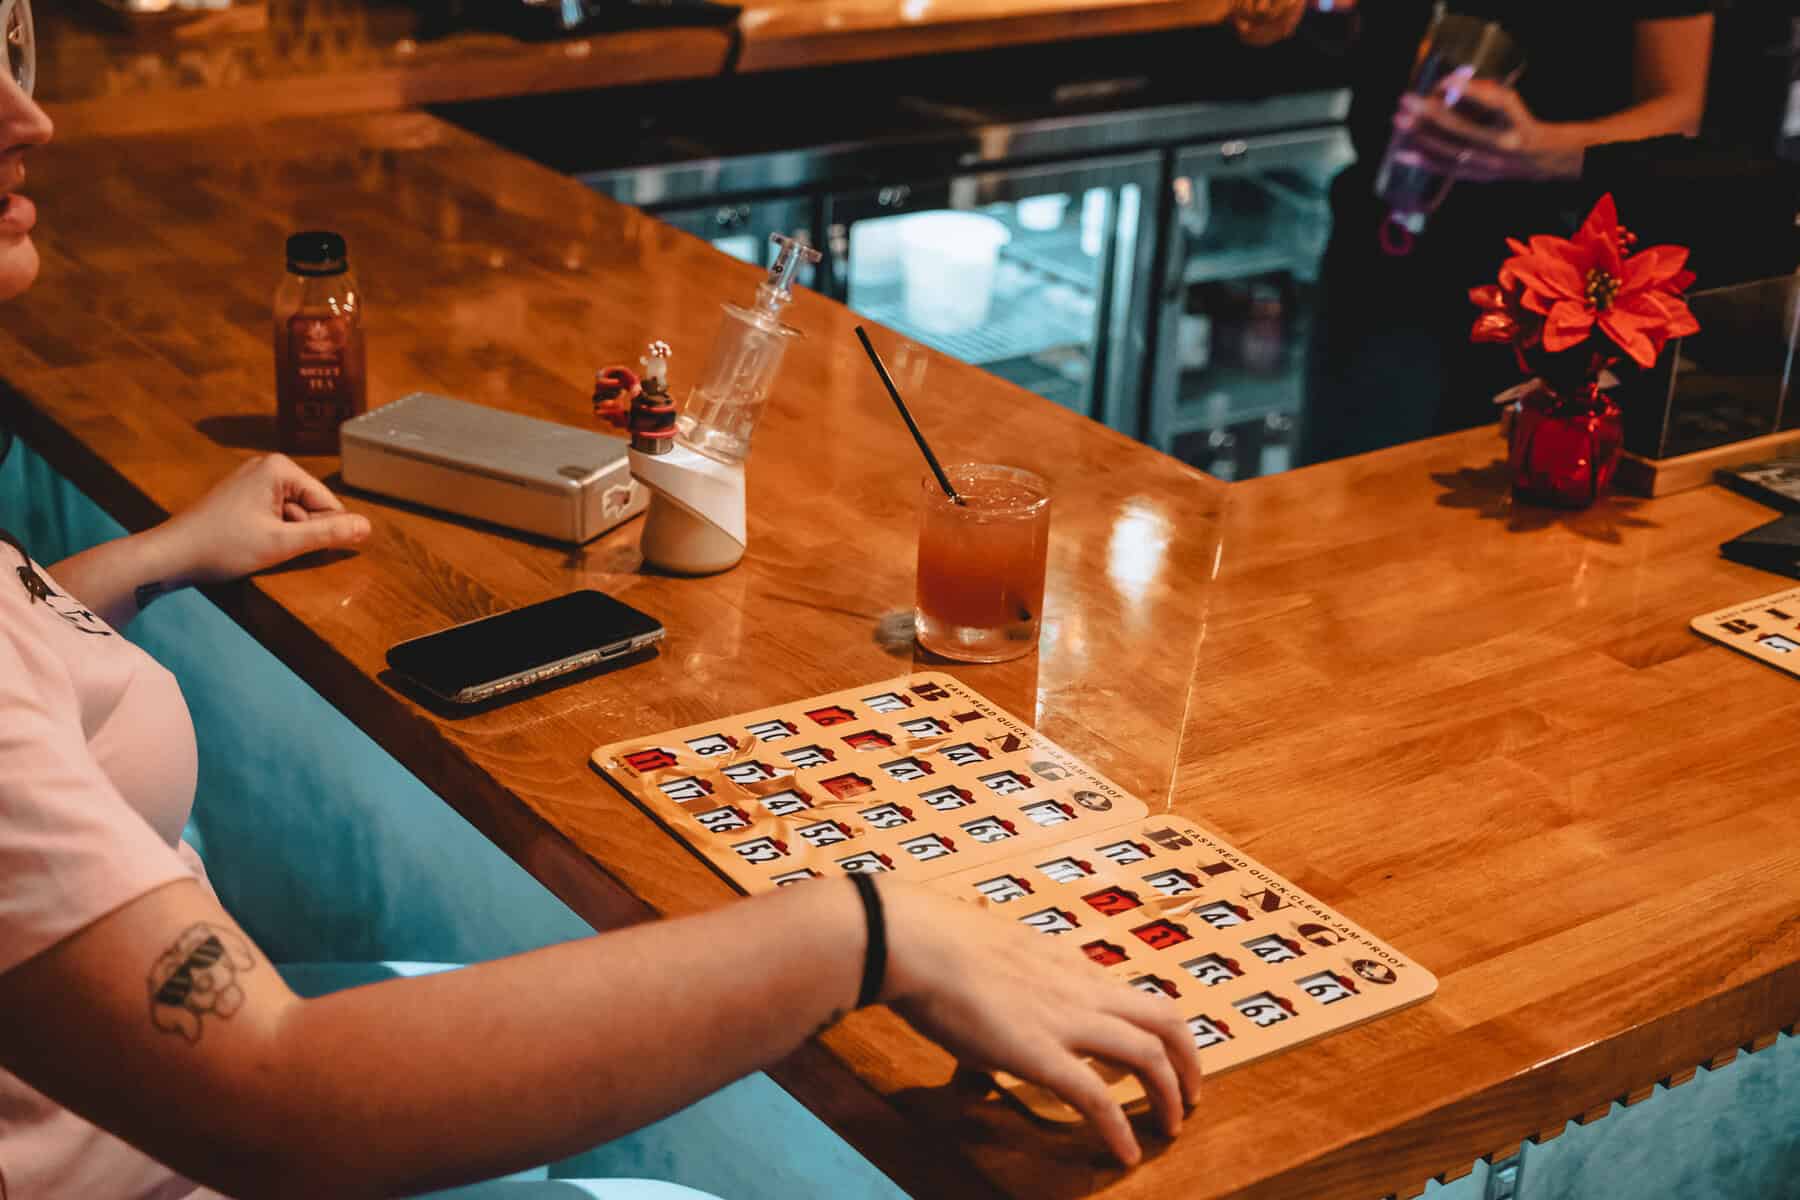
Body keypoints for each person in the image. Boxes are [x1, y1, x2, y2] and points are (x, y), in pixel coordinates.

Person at [0, 6, 1201, 1197]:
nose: (29, 118)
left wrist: (142, 561)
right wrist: (874, 932)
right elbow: (279, 1102)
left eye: (8, 47)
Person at [1299, 0, 1716, 465]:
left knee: (1491, 483)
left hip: (1541, 272)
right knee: (1338, 482)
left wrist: (1544, 150)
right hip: (1378, 238)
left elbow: (1680, 110)